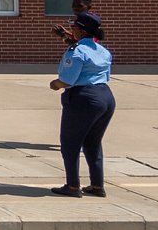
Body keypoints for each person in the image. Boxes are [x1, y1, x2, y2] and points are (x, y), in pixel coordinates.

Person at [49, 12, 116, 197]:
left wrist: (55, 84)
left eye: (73, 27)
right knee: (93, 143)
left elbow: (67, 80)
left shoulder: (76, 51)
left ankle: (72, 186)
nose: (71, 30)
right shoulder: (103, 50)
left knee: (70, 143)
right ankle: (97, 185)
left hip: (83, 98)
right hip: (106, 97)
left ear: (80, 30)